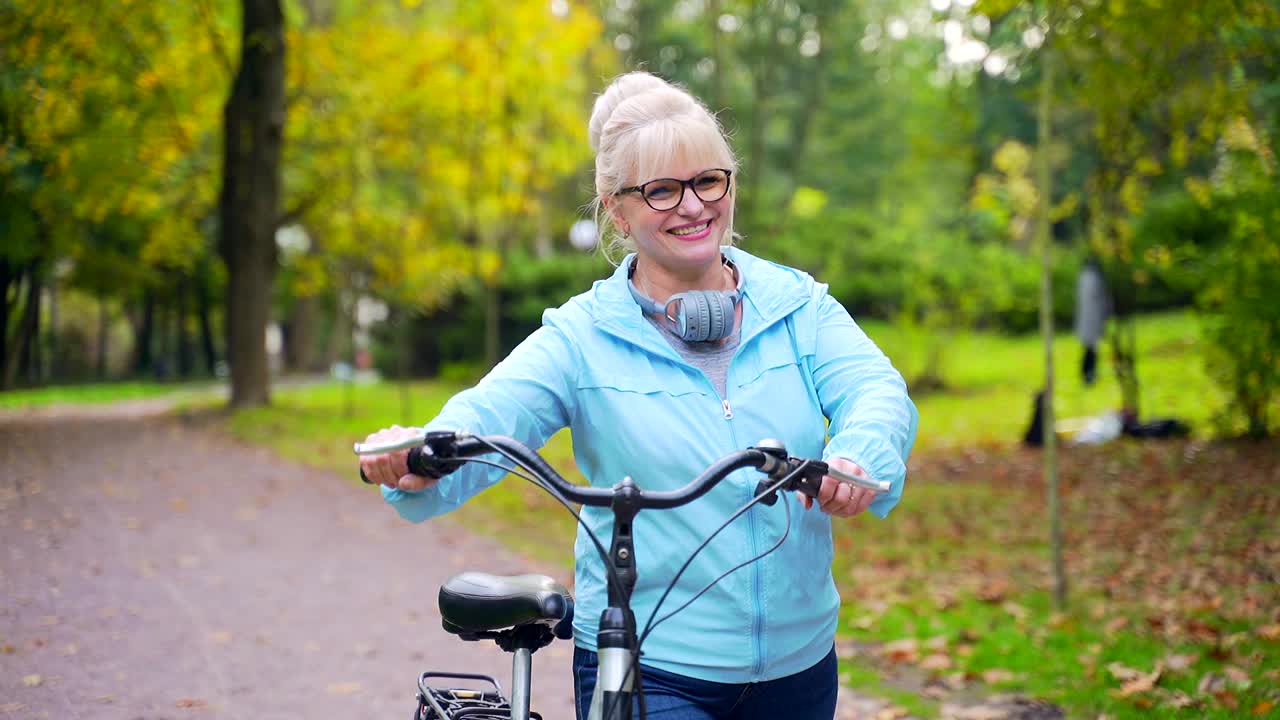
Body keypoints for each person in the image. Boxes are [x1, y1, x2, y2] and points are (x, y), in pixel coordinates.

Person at [358, 71, 918, 720]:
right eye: (661, 190)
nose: (693, 206)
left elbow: (876, 390)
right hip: (651, 665)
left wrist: (857, 456)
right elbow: (487, 418)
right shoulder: (580, 337)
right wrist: (418, 457)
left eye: (709, 180)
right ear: (616, 209)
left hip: (799, 664)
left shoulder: (798, 307)